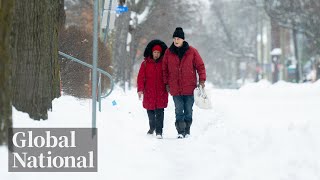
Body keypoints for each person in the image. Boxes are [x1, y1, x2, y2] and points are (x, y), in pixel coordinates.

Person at [162, 27, 206, 138]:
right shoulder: (168, 52)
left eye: (178, 38)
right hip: (175, 88)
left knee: (188, 110)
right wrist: (166, 83)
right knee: (178, 110)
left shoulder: (192, 51)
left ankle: (187, 131)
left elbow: (200, 66)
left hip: (189, 88)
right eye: (174, 38)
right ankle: (180, 132)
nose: (176, 40)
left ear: (183, 39)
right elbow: (165, 69)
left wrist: (201, 80)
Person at [137, 40, 168, 139]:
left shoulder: (164, 63)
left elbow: (169, 75)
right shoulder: (145, 64)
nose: (156, 54)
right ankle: (152, 127)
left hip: (161, 91)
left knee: (160, 112)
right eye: (155, 52)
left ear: (161, 53)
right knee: (150, 111)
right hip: (149, 92)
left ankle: (159, 132)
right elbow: (140, 77)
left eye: (158, 52)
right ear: (152, 52)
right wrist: (140, 89)